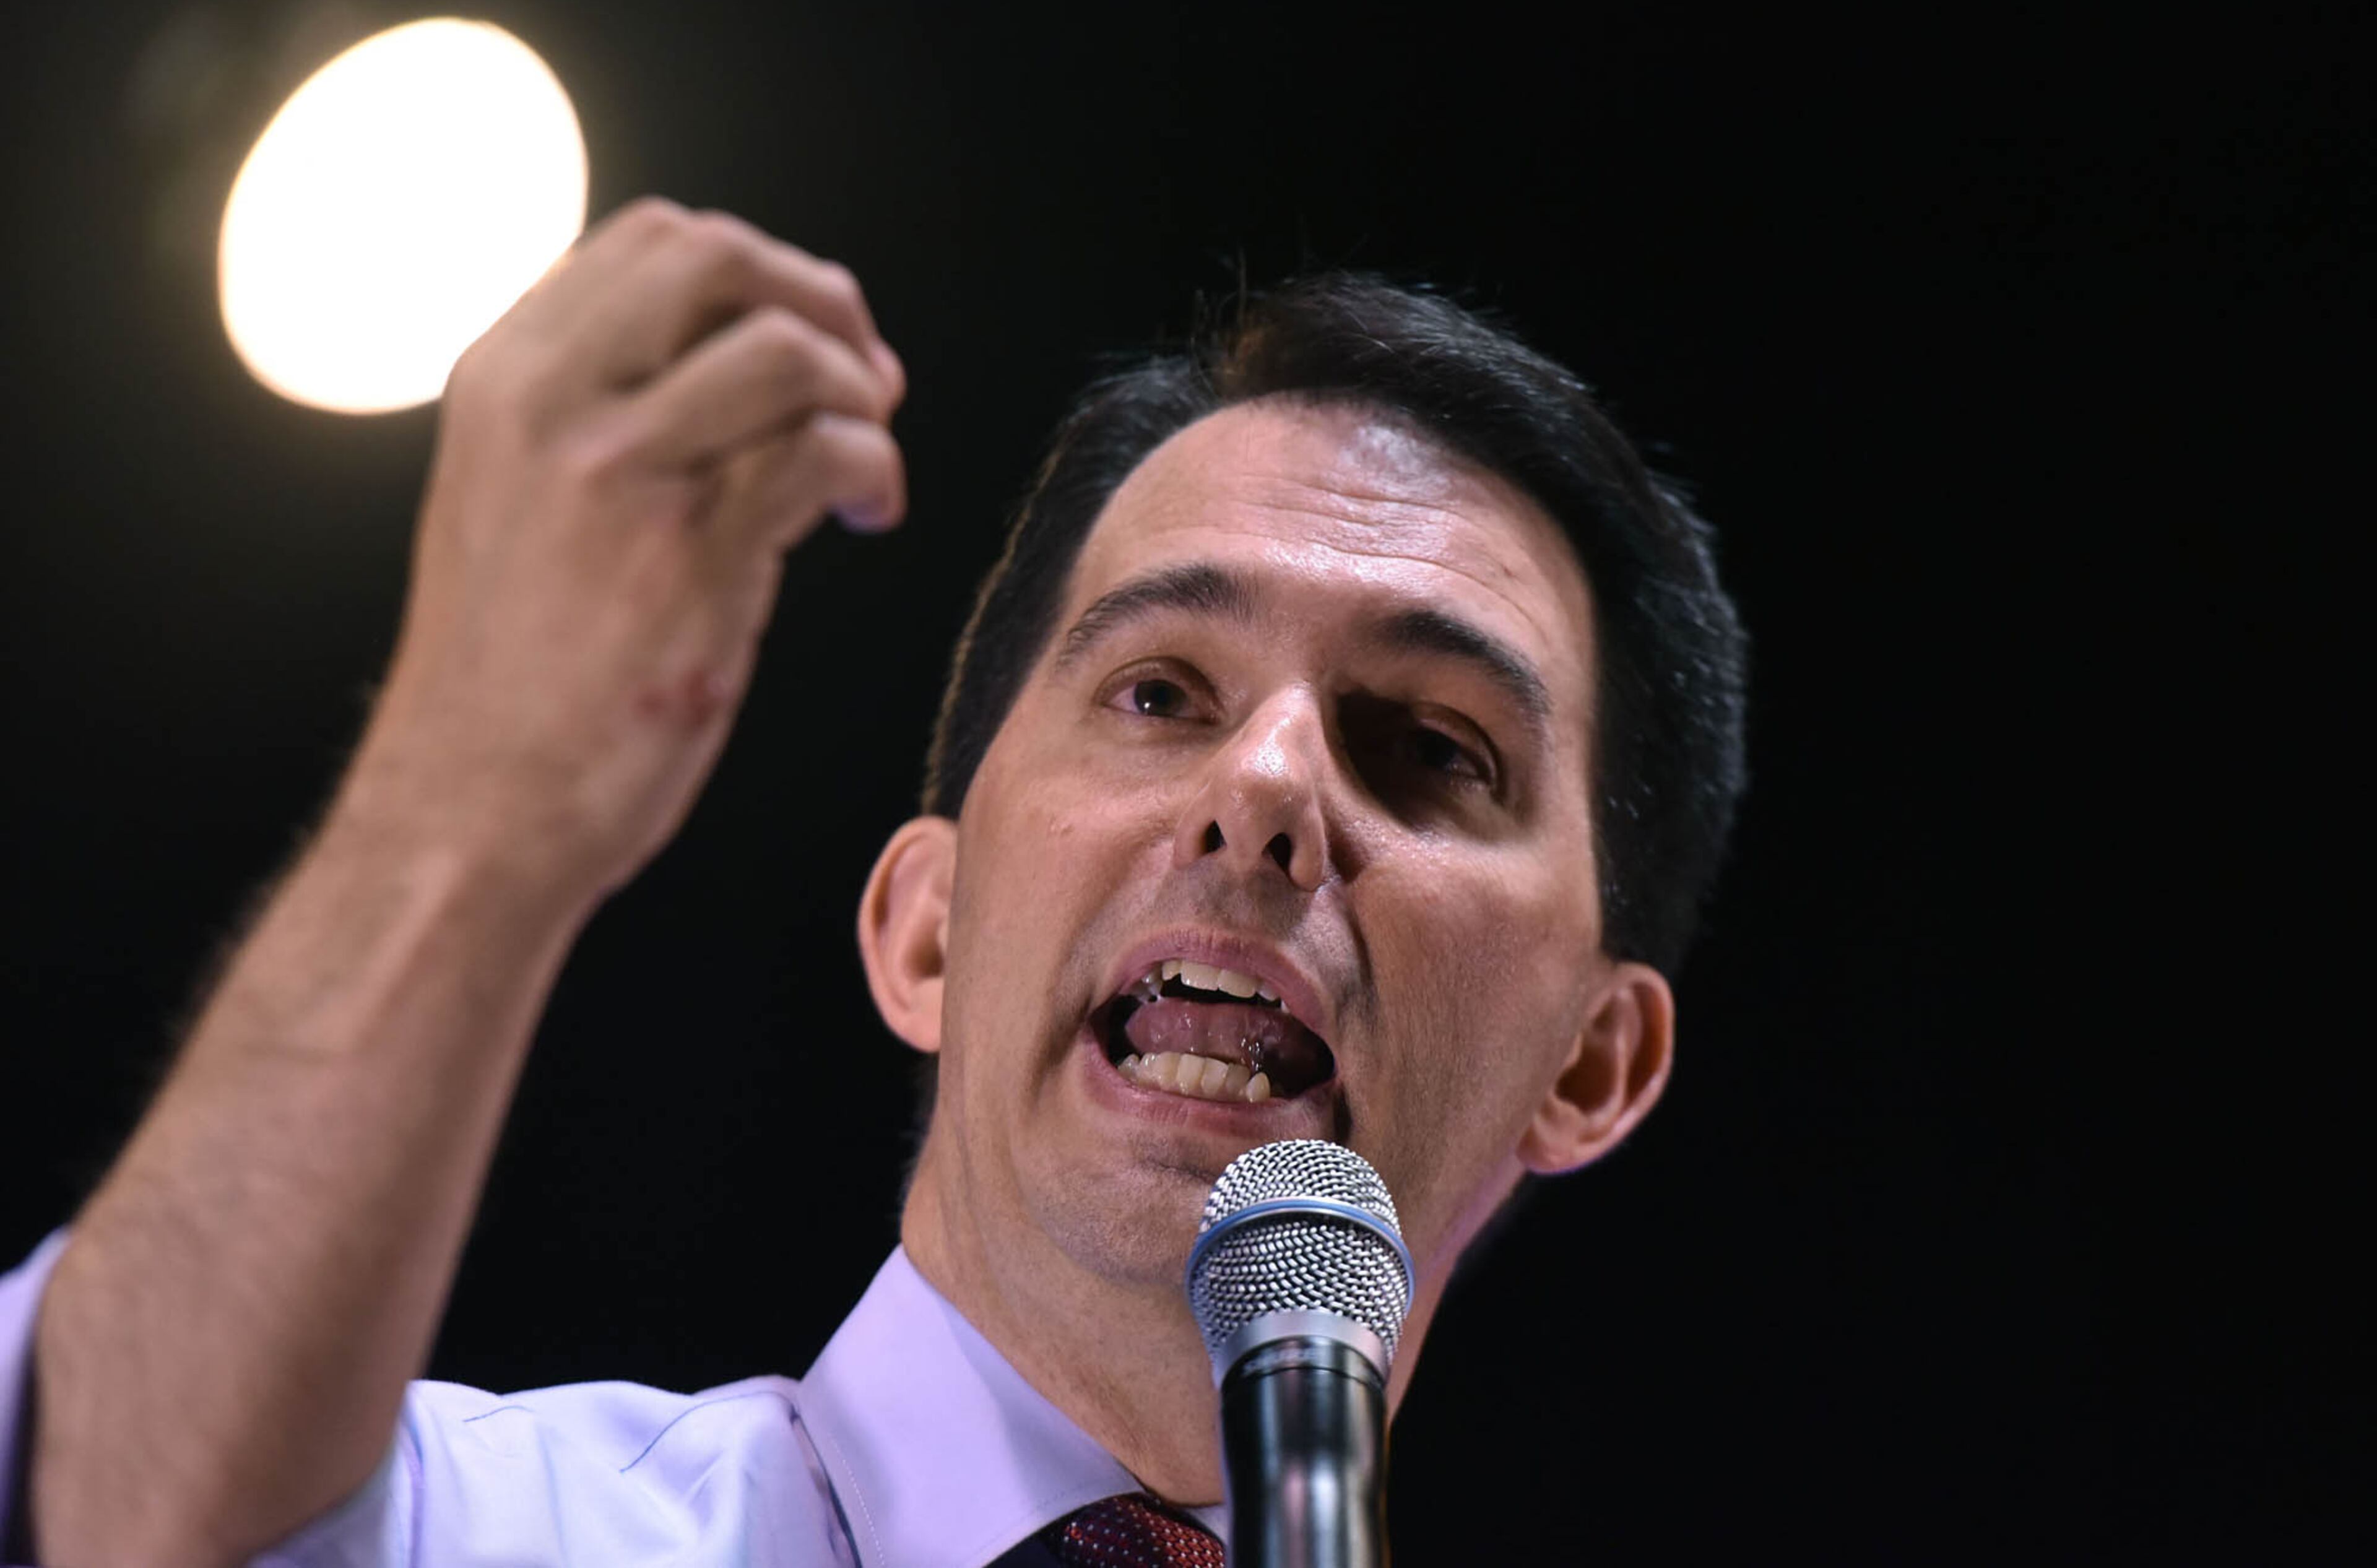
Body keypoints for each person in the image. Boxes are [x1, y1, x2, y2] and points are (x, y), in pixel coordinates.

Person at [0, 200, 1747, 1567]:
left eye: (1432, 748)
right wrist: (472, 798)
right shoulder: (473, 1531)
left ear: (1588, 1065)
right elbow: (105, 1518)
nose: (1270, 787)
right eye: (1158, 692)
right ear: (925, 929)